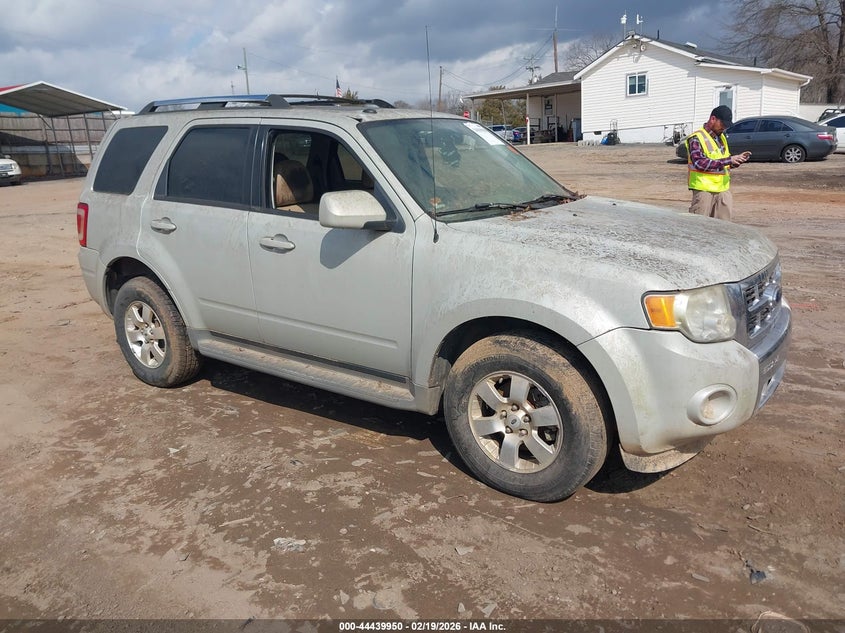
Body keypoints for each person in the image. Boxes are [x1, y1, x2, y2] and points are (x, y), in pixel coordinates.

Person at [685, 105, 751, 220]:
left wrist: (736, 161)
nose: (724, 128)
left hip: (722, 191)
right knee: (699, 229)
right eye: (722, 124)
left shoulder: (722, 138)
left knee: (723, 229)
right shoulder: (696, 138)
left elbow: (722, 161)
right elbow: (699, 163)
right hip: (704, 192)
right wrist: (729, 160)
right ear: (713, 119)